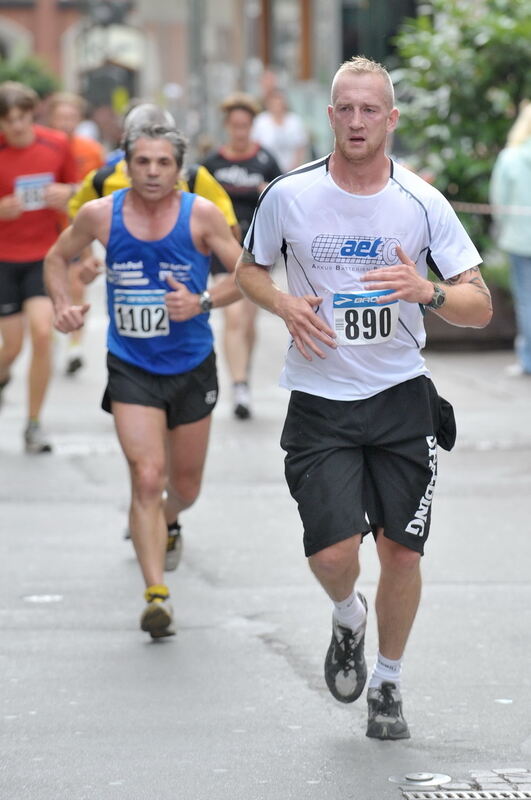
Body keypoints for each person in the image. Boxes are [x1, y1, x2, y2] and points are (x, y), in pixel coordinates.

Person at [236, 56, 492, 739]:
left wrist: (426, 292)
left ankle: (387, 681)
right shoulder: (288, 195)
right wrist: (285, 304)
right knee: (330, 554)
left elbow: (479, 306)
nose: (355, 121)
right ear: (329, 116)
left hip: (399, 397)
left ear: (390, 118)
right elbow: (248, 271)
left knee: (401, 552)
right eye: (344, 109)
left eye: (368, 109)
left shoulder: (419, 202)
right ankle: (347, 614)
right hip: (319, 399)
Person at [44, 121, 242, 639]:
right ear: (125, 166)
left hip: (192, 363)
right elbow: (56, 257)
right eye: (142, 162)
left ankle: (169, 521)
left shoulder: (200, 215)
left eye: (163, 163)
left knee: (185, 486)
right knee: (147, 477)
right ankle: (156, 594)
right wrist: (63, 304)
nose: (152, 172)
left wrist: (198, 302)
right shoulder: (100, 216)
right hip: (130, 364)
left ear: (179, 171)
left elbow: (248, 275)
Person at [0, 81, 77, 452]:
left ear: (33, 114)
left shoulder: (56, 145)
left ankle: (33, 424)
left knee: (43, 333)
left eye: (22, 117)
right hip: (2, 259)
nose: (16, 126)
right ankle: (3, 375)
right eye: (7, 119)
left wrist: (68, 193)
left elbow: (81, 190)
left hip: (44, 256)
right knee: (11, 347)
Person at [203, 93, 281, 419]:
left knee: (248, 319)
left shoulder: (265, 160)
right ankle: (239, 387)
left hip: (256, 249)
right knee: (233, 317)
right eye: (234, 126)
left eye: (245, 126)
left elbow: (283, 199)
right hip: (221, 248)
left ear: (252, 126)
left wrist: (269, 193)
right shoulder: (212, 164)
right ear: (227, 126)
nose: (239, 131)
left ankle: (243, 374)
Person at [47, 92, 106, 375]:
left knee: (77, 284)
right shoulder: (42, 147)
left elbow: (101, 188)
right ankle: (55, 331)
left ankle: (75, 345)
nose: (66, 123)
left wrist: (71, 191)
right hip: (45, 228)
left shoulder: (91, 150)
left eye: (71, 117)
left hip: (79, 228)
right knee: (51, 286)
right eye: (61, 117)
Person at [489, 101, 531, 376]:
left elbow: (498, 203)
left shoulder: (511, 158)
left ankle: (528, 360)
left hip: (519, 240)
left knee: (526, 301)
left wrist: (505, 227)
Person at [252, 87, 309, 173]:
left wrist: (295, 168)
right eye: (274, 101)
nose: (277, 104)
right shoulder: (261, 121)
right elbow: (255, 146)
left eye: (279, 100)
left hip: (291, 172)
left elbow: (301, 147)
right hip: (267, 171)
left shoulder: (294, 121)